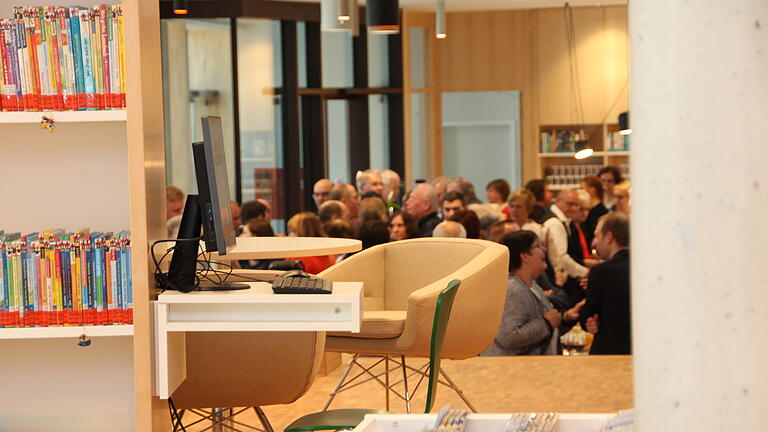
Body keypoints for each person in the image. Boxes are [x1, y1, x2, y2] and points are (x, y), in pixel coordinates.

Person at [482, 230, 561, 356]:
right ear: (523, 255)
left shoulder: (531, 285)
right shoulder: (512, 289)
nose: (544, 249)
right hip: (510, 371)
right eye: (537, 246)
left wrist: (566, 317)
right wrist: (546, 324)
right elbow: (508, 337)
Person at [563, 212, 631, 355]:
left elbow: (587, 315)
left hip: (610, 353)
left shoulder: (602, 271)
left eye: (597, 235)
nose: (594, 242)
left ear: (609, 237)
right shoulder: (645, 268)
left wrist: (587, 317)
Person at [580, 175, 608, 243]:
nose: (580, 191)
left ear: (592, 190)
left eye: (582, 188)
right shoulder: (588, 209)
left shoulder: (602, 211)